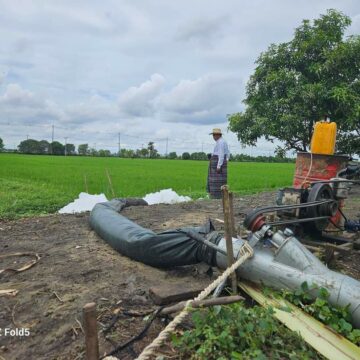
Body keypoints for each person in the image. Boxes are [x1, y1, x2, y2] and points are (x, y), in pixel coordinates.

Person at [207, 128, 230, 199]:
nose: (213, 137)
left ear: (218, 135)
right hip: (219, 162)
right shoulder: (222, 142)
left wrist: (219, 165)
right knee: (220, 180)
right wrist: (226, 161)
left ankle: (216, 196)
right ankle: (219, 195)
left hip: (218, 164)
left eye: (214, 135)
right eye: (213, 135)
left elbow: (221, 154)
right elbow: (228, 154)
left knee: (215, 180)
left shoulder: (221, 142)